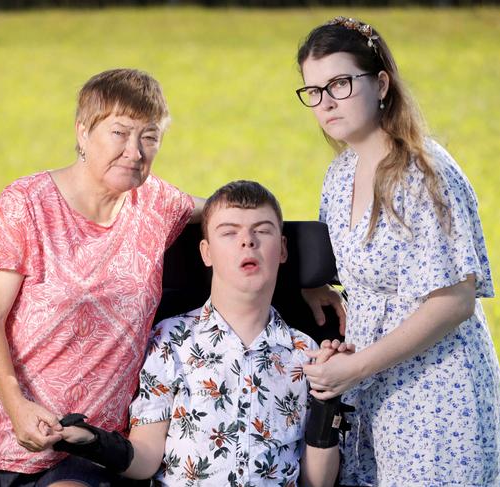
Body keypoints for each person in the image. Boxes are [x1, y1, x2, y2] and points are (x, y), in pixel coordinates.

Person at [0, 68, 205, 486]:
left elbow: (241, 217)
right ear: (83, 132)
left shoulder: (157, 202)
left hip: (87, 448)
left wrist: (306, 276)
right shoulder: (26, 203)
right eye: (119, 132)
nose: (135, 151)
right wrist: (17, 406)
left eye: (149, 137)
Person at [295, 17, 500, 486]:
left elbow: (454, 302)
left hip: (437, 395)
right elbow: (353, 263)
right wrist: (315, 283)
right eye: (314, 91)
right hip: (372, 396)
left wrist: (355, 368)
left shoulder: (424, 172)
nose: (327, 102)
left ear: (381, 83)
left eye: (339, 83)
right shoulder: (340, 175)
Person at [54, 180, 341, 487]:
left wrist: (327, 401)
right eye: (229, 232)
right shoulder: (170, 340)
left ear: (282, 249)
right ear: (206, 252)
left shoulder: (305, 351)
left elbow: (318, 483)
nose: (248, 241)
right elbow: (147, 457)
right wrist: (91, 441)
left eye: (263, 230)